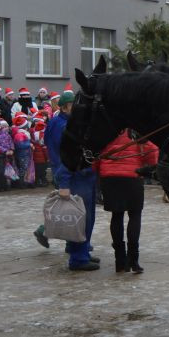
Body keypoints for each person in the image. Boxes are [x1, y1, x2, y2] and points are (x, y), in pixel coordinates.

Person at [44, 88, 100, 270]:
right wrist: (65, 181)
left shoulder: (55, 122)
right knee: (81, 219)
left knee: (79, 218)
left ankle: (79, 251)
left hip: (75, 174)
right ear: (66, 107)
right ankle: (79, 258)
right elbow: (67, 155)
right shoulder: (64, 126)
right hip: (76, 175)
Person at [95, 129, 159, 273]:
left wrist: (98, 171)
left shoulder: (108, 130)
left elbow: (96, 153)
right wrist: (148, 166)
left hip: (109, 177)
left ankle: (120, 261)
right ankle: (133, 260)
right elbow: (153, 150)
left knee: (116, 216)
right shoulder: (134, 129)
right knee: (135, 216)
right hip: (132, 176)